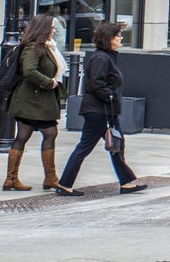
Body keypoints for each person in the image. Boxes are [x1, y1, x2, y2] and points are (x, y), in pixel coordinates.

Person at [54, 23, 146, 196]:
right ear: (109, 38)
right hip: (99, 110)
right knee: (85, 146)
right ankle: (65, 184)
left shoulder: (106, 57)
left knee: (117, 144)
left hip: (106, 110)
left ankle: (126, 182)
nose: (121, 38)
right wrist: (110, 96)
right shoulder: (101, 58)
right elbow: (97, 83)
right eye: (118, 35)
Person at [3, 14, 68, 192]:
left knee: (28, 136)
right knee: (48, 133)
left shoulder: (46, 47)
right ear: (43, 29)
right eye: (51, 27)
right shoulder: (33, 47)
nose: (54, 30)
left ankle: (14, 179)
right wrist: (49, 82)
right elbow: (29, 71)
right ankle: (46, 177)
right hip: (32, 99)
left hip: (36, 99)